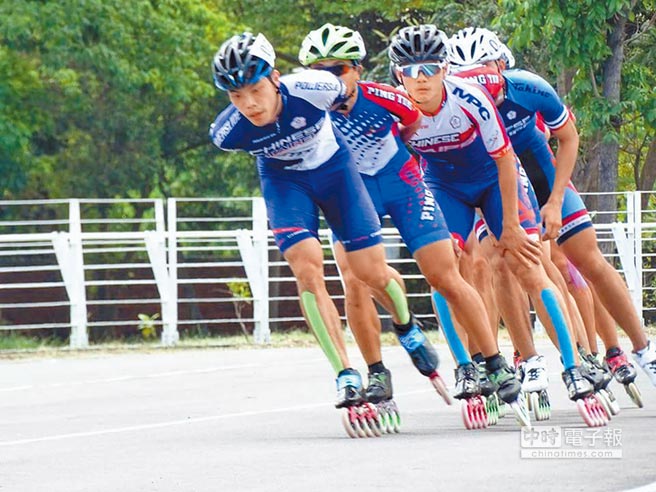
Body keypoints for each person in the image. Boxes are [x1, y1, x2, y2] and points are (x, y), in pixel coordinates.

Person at [209, 32, 436, 433]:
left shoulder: (317, 87)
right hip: (285, 184)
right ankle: (346, 373)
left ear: (276, 78)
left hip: (336, 173)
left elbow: (358, 102)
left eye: (256, 90)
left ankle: (406, 326)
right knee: (307, 269)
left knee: (371, 273)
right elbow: (242, 126)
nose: (249, 104)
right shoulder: (228, 133)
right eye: (236, 96)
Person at [298, 23, 519, 423]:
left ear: (359, 70)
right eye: (320, 71)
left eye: (340, 70)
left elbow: (414, 127)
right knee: (354, 279)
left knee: (445, 276)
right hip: (351, 191)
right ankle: (377, 373)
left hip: (400, 182)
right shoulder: (304, 108)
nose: (330, 80)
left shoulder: (387, 98)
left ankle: (493, 360)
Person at [388, 25, 606, 425]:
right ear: (397, 75)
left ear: (444, 70)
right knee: (443, 271)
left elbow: (506, 161)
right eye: (410, 70)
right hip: (443, 184)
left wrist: (509, 225)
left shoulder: (469, 98)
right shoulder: (396, 111)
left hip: (494, 177)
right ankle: (468, 366)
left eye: (430, 68)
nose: (420, 78)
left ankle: (574, 365)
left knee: (524, 260)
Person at [448, 26, 656, 394]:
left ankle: (640, 349)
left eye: (484, 71)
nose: (478, 83)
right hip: (497, 185)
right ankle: (528, 359)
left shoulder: (527, 87)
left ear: (500, 65)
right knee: (499, 261)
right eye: (466, 77)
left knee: (584, 259)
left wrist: (556, 199)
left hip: (539, 176)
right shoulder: (454, 105)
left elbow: (569, 137)